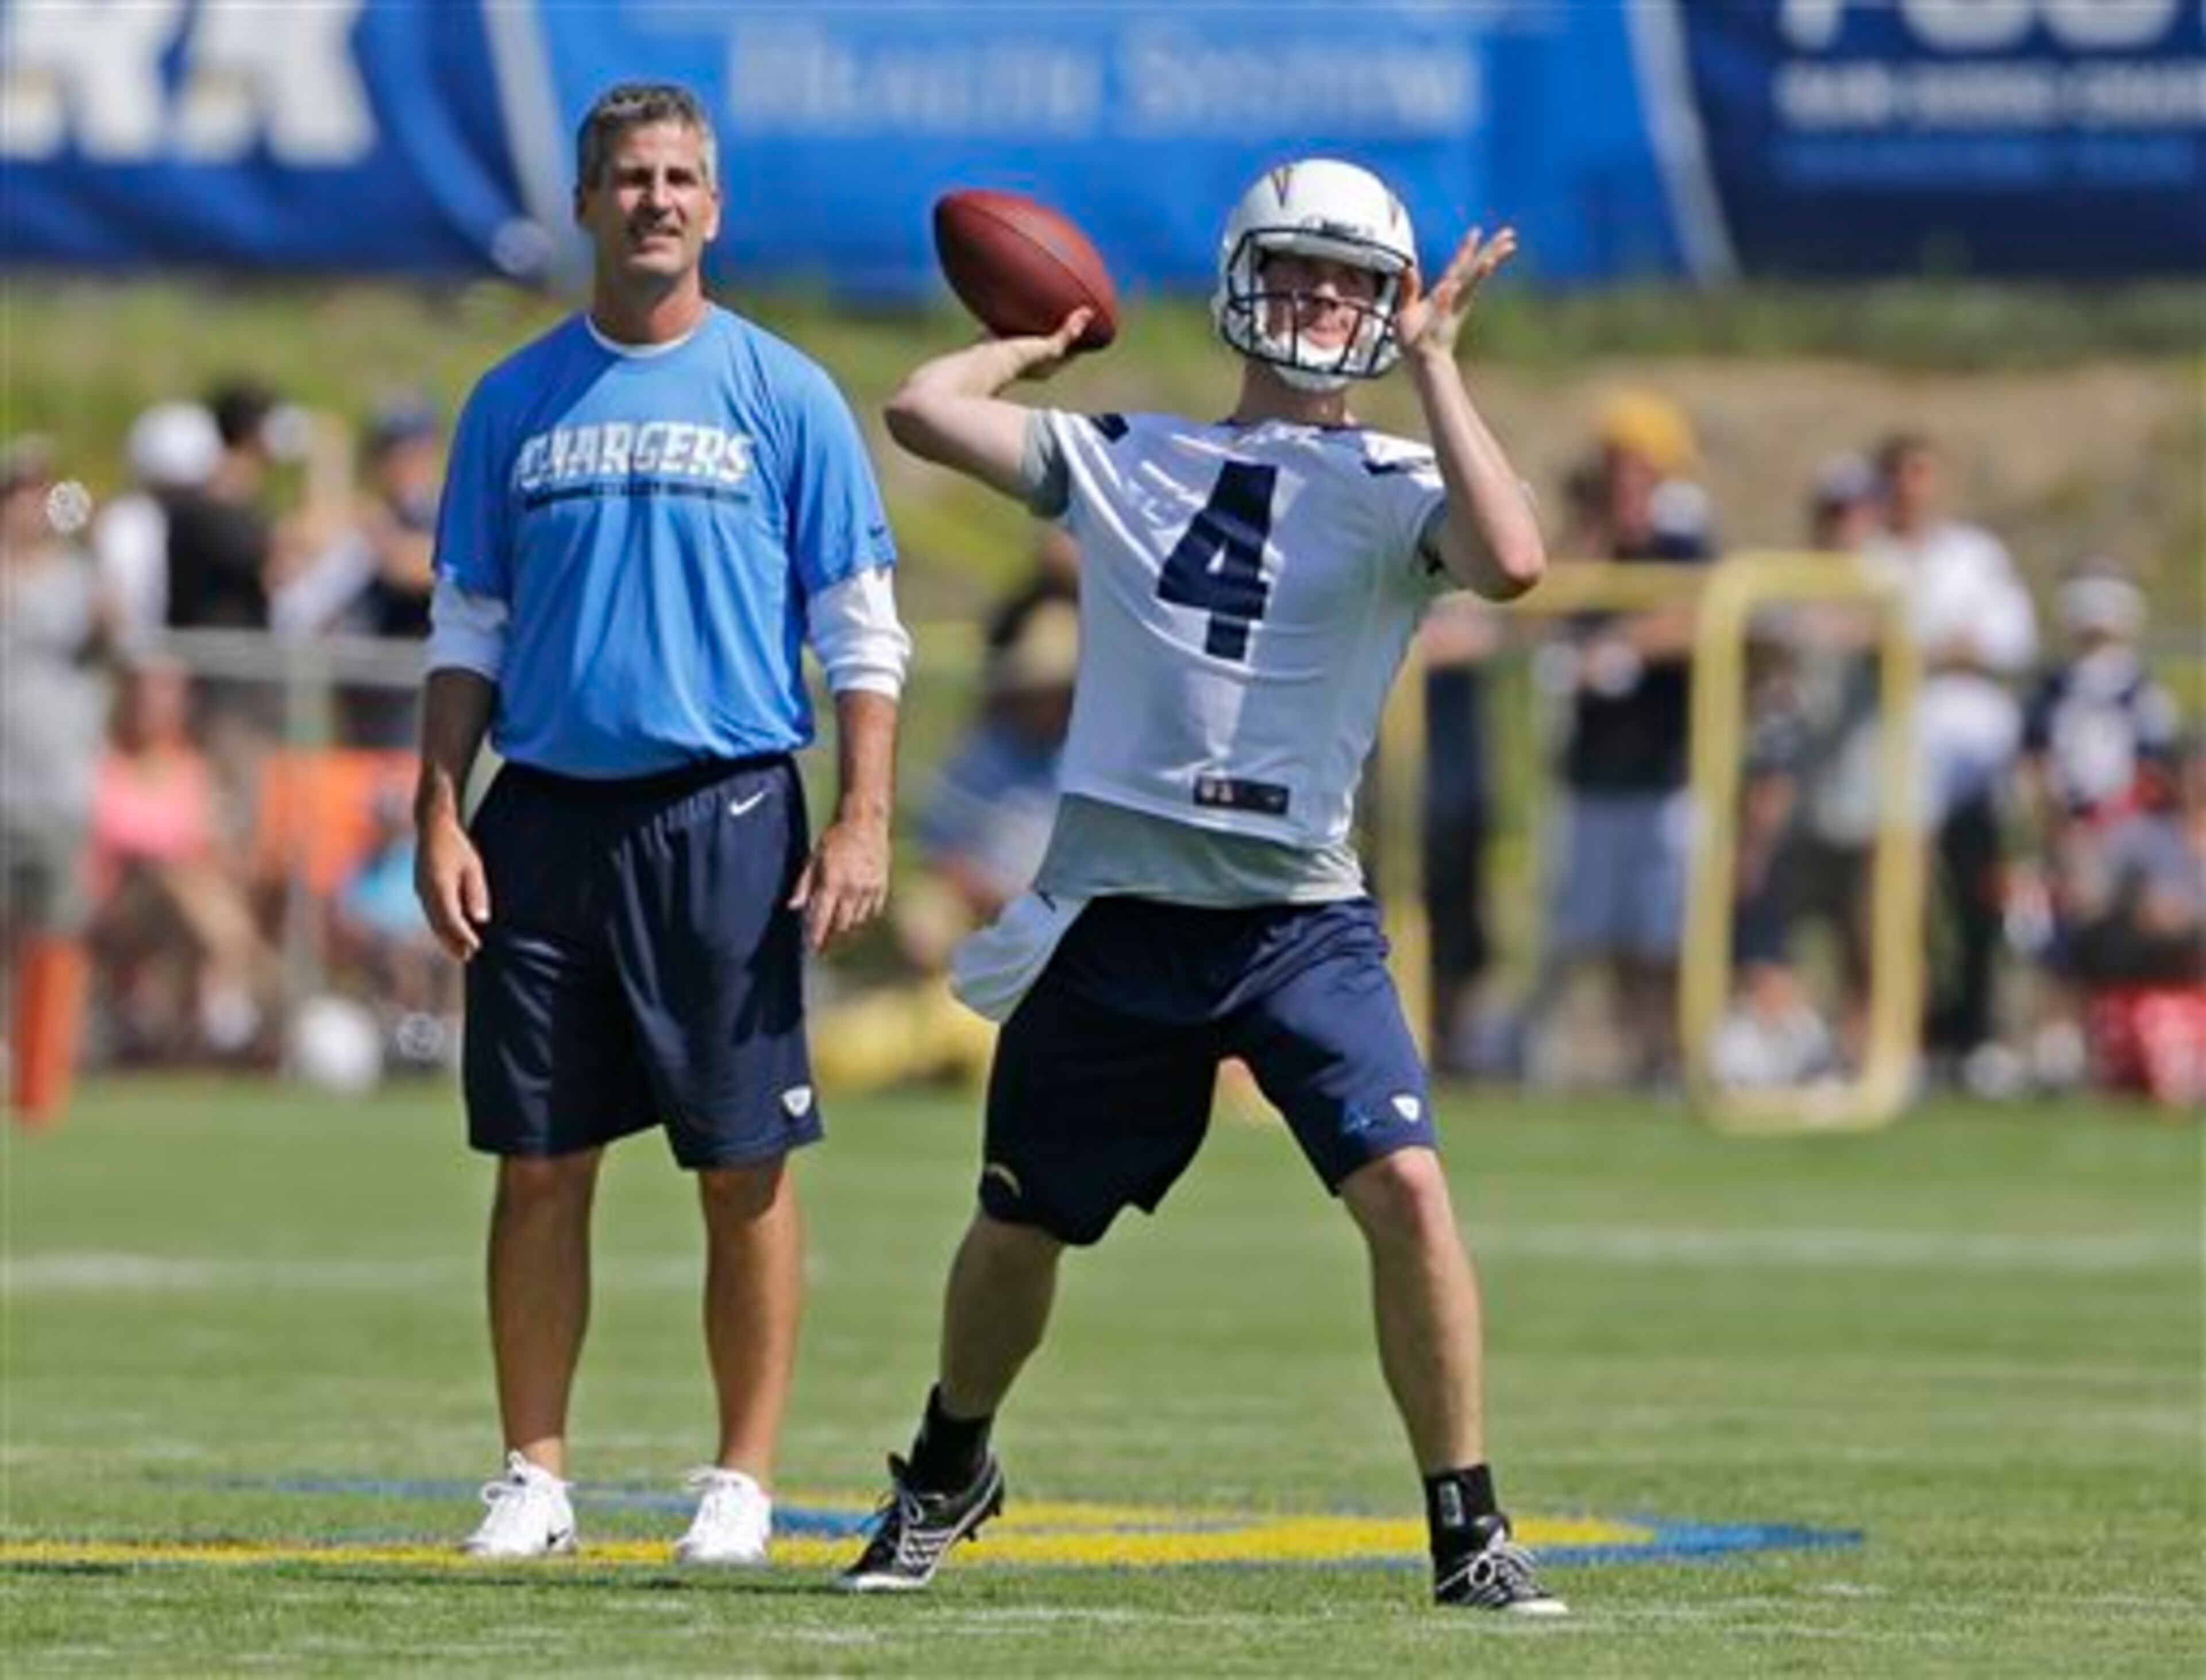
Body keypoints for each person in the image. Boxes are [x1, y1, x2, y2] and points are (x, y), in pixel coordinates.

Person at [840, 158, 1563, 1616]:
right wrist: (1035, 342)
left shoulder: (1397, 482)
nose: (1319, 299)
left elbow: (1515, 560)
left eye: (1352, 281)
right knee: (1016, 1226)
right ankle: (945, 1463)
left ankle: (1465, 1523)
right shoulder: (1124, 449)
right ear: (1243, 281)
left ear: (1387, 304)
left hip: (1297, 920)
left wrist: (1434, 371)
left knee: (1410, 1191)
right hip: (1117, 914)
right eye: (1295, 270)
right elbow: (920, 409)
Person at [411, 82, 908, 1566]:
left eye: (683, 176)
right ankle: (534, 1473)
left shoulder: (783, 390)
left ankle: (740, 1480)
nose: (658, 200)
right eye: (630, 177)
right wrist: (439, 810)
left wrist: (866, 815)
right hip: (546, 813)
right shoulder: (514, 399)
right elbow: (466, 629)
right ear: (584, 202)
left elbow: (862, 631)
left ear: (717, 205)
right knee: (541, 1156)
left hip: (729, 806)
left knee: (742, 1157)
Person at [1867, 433, 2038, 1086]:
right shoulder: (1870, 556)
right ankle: (1905, 1036)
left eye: (1920, 472)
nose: (1910, 486)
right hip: (1896, 755)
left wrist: (1924, 649)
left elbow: (2004, 642)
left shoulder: (1973, 556)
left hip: (1977, 761)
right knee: (1896, 907)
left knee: (1982, 900)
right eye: (1899, 473)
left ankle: (1979, 1032)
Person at [1, 439, 113, 1120]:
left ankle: (41, 1080)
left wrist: (93, 544)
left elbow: (113, 630)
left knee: (52, 931)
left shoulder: (77, 578)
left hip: (56, 788)